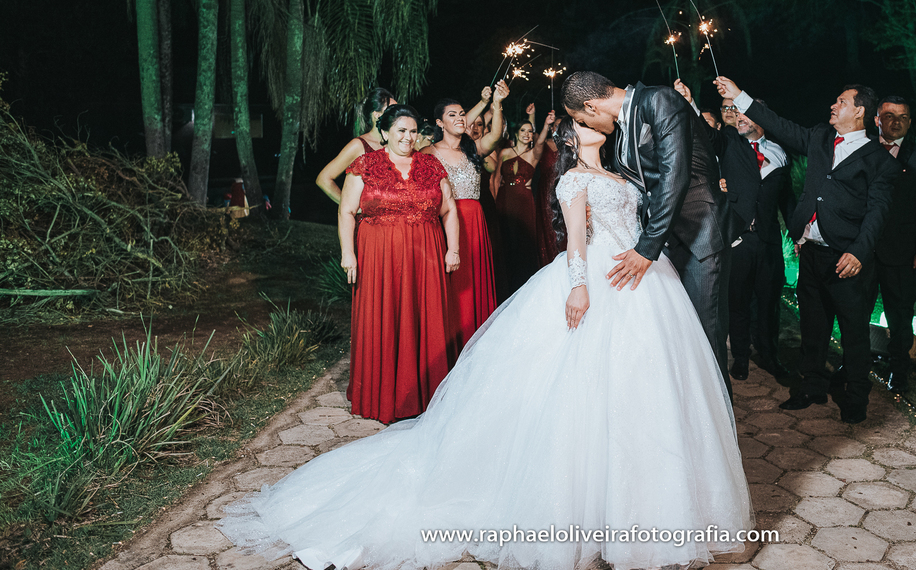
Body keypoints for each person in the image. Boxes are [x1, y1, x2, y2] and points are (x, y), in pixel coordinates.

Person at [217, 117, 752, 570]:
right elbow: (574, 241)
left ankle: (649, 505)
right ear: (571, 137)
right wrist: (579, 287)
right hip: (598, 282)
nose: (598, 126)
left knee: (646, 391)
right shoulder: (572, 181)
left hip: (648, 283)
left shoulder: (621, 172)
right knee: (582, 395)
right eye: (586, 123)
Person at [714, 76, 899, 424]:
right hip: (811, 252)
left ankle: (856, 397)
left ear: (859, 111)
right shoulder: (821, 137)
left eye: (841, 102)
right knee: (812, 329)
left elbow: (878, 214)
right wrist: (738, 95)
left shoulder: (880, 162)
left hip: (848, 260)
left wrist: (859, 253)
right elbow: (778, 125)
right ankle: (811, 387)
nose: (833, 105)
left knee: (854, 333)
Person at [562, 71, 734, 392]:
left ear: (591, 106)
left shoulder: (659, 100)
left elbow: (675, 176)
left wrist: (646, 248)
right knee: (680, 344)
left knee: (706, 345)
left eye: (580, 120)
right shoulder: (622, 134)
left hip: (699, 239)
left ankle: (720, 437)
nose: (585, 127)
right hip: (667, 247)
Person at [338, 104, 461, 423]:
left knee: (424, 317)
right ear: (385, 133)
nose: (408, 137)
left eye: (413, 131)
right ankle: (383, 395)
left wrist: (454, 249)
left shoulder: (431, 165)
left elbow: (449, 210)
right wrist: (347, 253)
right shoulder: (364, 165)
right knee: (385, 315)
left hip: (425, 256)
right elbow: (347, 211)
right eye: (401, 131)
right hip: (379, 258)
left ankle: (425, 395)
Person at [675, 80, 793, 381]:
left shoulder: (780, 153)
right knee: (737, 302)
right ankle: (740, 357)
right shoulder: (729, 141)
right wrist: (689, 102)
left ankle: (770, 356)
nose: (738, 118)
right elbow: (704, 134)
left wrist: (799, 233)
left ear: (761, 119)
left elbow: (787, 199)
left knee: (768, 302)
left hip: (768, 241)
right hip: (737, 239)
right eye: (737, 114)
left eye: (745, 115)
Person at [424, 85, 509, 351]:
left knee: (474, 282)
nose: (461, 118)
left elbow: (495, 134)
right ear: (439, 122)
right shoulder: (428, 153)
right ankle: (449, 341)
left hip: (475, 221)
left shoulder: (473, 149)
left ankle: (475, 342)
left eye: (463, 114)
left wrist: (496, 103)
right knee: (453, 284)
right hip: (447, 222)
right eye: (453, 115)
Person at [869, 95, 916, 393]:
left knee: (901, 316)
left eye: (903, 117)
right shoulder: (863, 149)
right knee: (854, 312)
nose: (896, 122)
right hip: (862, 251)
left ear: (910, 122)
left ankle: (898, 373)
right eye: (889, 115)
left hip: (902, 253)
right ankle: (855, 366)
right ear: (877, 119)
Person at [495, 104, 556, 293]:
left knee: (524, 243)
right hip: (505, 200)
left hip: (524, 201)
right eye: (523, 130)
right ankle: (506, 284)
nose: (527, 134)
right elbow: (497, 179)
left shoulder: (533, 154)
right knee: (507, 241)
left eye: (530, 131)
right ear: (516, 133)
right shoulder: (504, 153)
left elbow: (540, 142)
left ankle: (524, 285)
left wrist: (545, 124)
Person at [315, 87, 396, 204]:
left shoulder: (396, 144)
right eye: (392, 111)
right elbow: (323, 179)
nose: (399, 114)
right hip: (368, 221)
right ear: (377, 115)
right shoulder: (359, 145)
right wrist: (350, 206)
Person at [534, 112, 564, 267]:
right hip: (546, 192)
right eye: (555, 126)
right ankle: (549, 264)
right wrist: (545, 124)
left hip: (563, 191)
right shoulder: (543, 144)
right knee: (549, 229)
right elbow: (537, 143)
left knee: (563, 228)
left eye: (561, 126)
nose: (557, 129)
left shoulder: (568, 146)